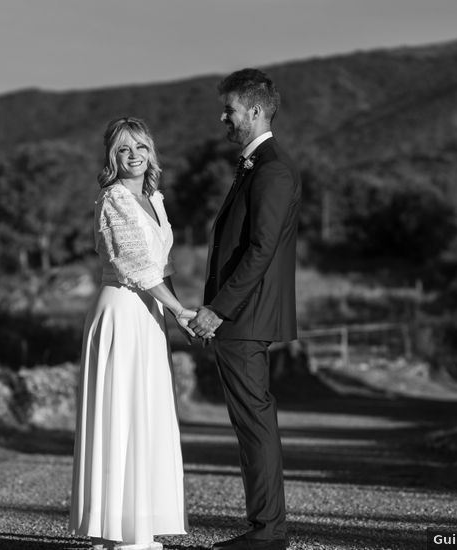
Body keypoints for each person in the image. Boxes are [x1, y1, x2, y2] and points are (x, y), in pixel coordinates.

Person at [189, 69, 301, 550]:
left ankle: (267, 531)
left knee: (254, 422)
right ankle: (266, 528)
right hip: (244, 314)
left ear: (254, 111)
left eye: (229, 109)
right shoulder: (258, 164)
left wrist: (218, 309)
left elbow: (260, 250)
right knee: (252, 421)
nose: (224, 118)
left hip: (244, 315)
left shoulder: (272, 167)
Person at [70, 117, 194, 550]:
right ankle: (117, 531)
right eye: (124, 149)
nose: (134, 155)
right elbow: (137, 266)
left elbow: (163, 267)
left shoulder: (155, 199)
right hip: (122, 311)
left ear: (151, 152)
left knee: (146, 413)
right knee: (121, 413)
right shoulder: (114, 199)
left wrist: (177, 316)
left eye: (140, 146)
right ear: (112, 157)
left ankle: (140, 524)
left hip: (151, 315)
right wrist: (180, 310)